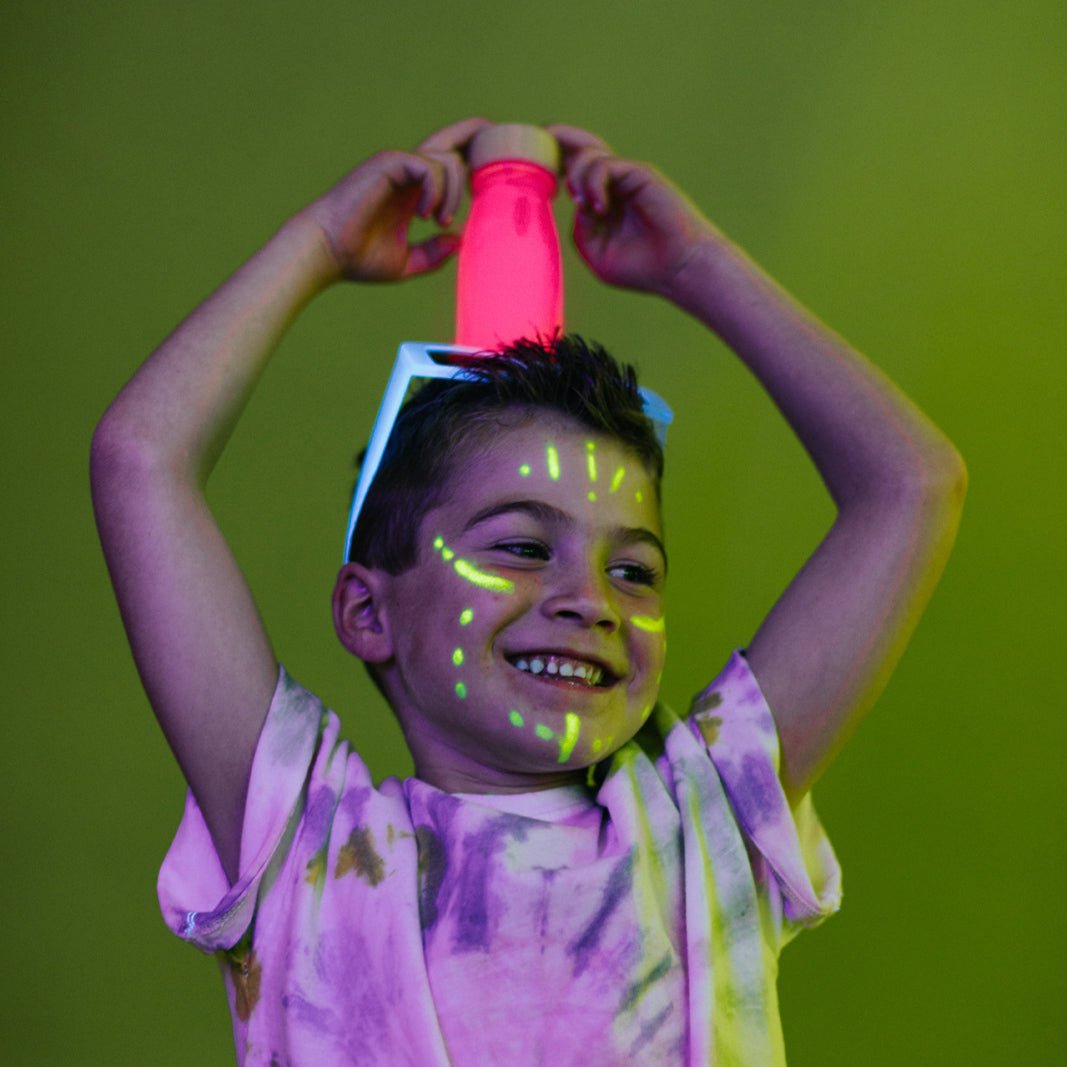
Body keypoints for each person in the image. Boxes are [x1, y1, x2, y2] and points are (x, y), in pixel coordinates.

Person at [90, 118, 966, 1065]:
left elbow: (912, 484)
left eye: (633, 570)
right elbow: (141, 460)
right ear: (368, 611)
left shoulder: (705, 822)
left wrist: (698, 265)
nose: (590, 600)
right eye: (519, 547)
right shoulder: (304, 843)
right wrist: (320, 243)